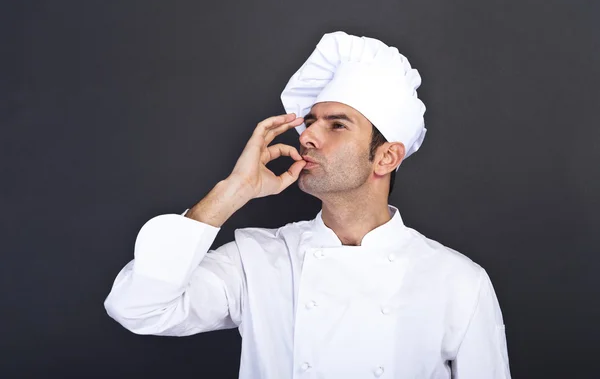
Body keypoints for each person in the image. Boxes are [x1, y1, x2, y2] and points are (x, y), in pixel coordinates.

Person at [104, 31, 511, 378]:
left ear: (386, 157)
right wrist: (233, 190)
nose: (308, 136)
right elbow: (138, 308)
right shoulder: (258, 261)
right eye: (310, 122)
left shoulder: (458, 281)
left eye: (336, 124)